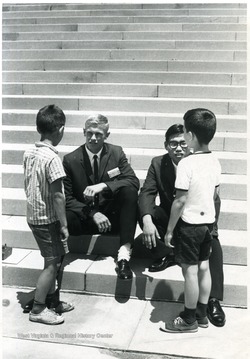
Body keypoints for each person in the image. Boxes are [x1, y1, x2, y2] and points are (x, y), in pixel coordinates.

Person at [138, 123, 225, 328]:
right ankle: (169, 254)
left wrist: (211, 228)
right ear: (166, 145)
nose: (178, 148)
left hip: (197, 220)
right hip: (173, 217)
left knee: (212, 248)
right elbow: (147, 192)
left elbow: (215, 199)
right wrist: (147, 220)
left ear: (190, 143)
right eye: (173, 144)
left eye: (183, 143)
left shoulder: (199, 162)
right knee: (144, 211)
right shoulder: (158, 163)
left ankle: (212, 300)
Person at [160, 108, 221, 333]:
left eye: (185, 132)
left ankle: (188, 319)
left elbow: (179, 201)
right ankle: (202, 315)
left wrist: (169, 230)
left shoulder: (187, 164)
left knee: (191, 272)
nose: (184, 136)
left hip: (190, 226)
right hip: (208, 225)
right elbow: (214, 194)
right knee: (204, 268)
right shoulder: (214, 160)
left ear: (192, 136)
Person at [63, 114, 139, 280]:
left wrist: (104, 185)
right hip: (85, 217)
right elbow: (68, 199)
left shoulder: (116, 153)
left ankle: (124, 257)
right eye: (90, 133)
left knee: (129, 192)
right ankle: (56, 259)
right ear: (84, 132)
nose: (94, 138)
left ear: (107, 135)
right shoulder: (70, 160)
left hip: (111, 217)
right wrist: (93, 214)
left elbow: (133, 181)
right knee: (62, 214)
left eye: (99, 134)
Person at [23, 104, 74, 325]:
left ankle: (52, 300)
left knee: (56, 258)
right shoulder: (53, 159)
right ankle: (38, 308)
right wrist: (64, 224)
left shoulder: (30, 152)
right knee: (52, 262)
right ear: (60, 129)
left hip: (34, 215)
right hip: (47, 219)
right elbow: (58, 196)